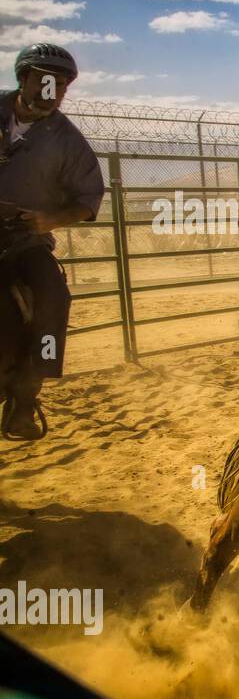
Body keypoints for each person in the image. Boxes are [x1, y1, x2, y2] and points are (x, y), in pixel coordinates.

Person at [0, 43, 104, 440]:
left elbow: (88, 198)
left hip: (23, 240)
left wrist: (49, 220)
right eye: (45, 81)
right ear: (23, 78)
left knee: (54, 293)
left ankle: (29, 389)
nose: (52, 91)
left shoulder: (67, 141)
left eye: (61, 85)